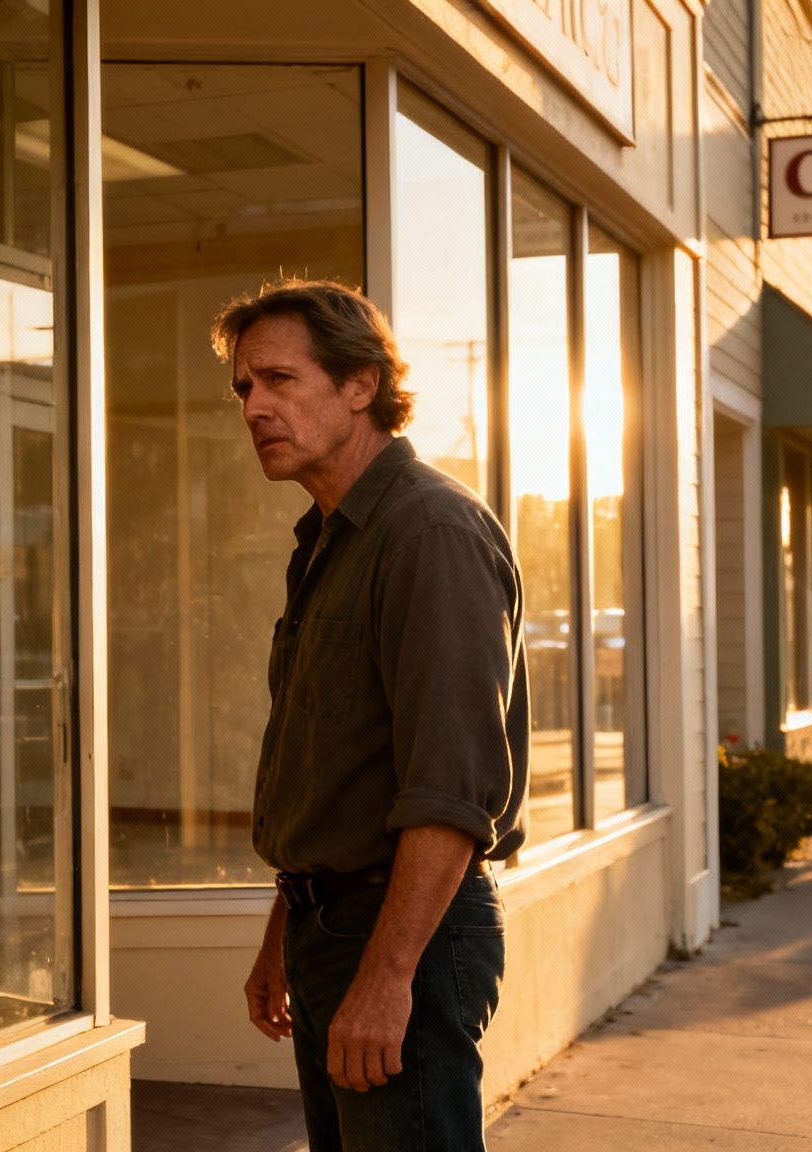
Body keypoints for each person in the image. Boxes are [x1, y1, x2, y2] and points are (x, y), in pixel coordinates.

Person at [216, 279, 527, 1151]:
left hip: (406, 934)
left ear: (360, 385)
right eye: (244, 387)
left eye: (279, 380)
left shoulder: (429, 531)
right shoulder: (329, 540)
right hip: (335, 925)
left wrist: (388, 977)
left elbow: (450, 791)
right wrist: (289, 926)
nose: (255, 407)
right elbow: (331, 767)